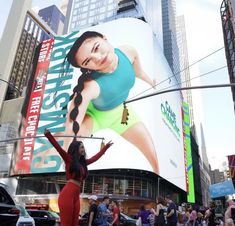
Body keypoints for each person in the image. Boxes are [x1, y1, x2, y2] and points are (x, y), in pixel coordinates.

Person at [59, 30, 159, 174]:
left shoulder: (128, 52)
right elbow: (71, 125)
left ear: (105, 38)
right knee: (62, 143)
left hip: (123, 115)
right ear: (86, 68)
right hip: (94, 117)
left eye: (96, 47)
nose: (97, 58)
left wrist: (153, 83)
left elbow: (139, 73)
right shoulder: (91, 86)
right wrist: (67, 159)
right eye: (88, 61)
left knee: (155, 162)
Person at [44, 129, 113, 226]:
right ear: (76, 149)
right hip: (67, 194)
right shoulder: (69, 159)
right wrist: (48, 135)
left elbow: (95, 158)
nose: (83, 149)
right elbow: (58, 148)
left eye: (83, 147)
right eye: (81, 147)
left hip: (76, 195)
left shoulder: (83, 163)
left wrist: (105, 147)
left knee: (74, 223)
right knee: (67, 224)